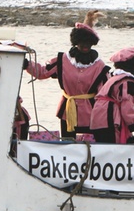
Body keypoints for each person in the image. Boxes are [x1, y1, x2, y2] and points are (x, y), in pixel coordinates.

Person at [25, 10, 111, 139]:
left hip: (91, 114)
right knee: (67, 143)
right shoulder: (62, 60)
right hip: (67, 112)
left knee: (91, 145)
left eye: (88, 42)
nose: (85, 45)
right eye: (82, 42)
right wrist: (26, 64)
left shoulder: (100, 66)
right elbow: (43, 72)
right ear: (76, 42)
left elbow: (104, 93)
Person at [90, 47, 134, 144]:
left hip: (97, 119)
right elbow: (127, 107)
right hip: (110, 119)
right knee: (115, 148)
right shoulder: (128, 81)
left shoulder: (113, 78)